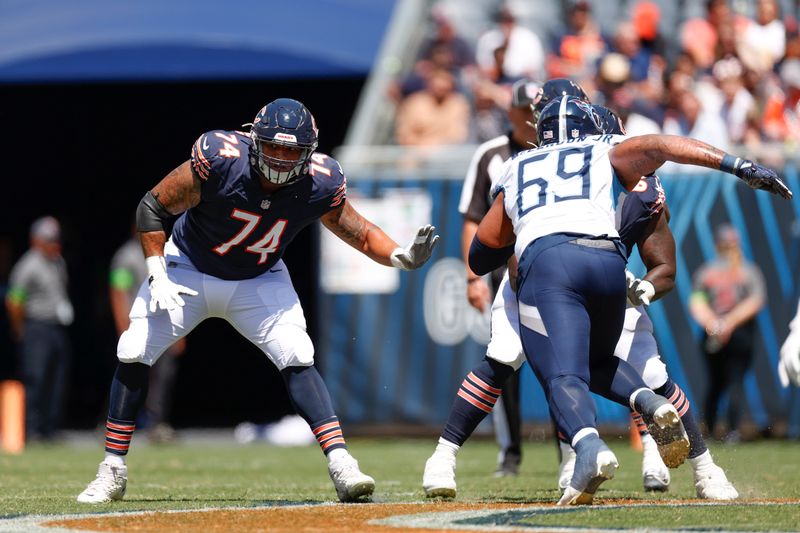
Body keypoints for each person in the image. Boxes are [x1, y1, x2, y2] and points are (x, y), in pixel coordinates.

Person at [77, 98, 440, 504]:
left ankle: (342, 463)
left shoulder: (320, 180)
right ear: (254, 140)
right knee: (133, 348)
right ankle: (112, 468)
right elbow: (152, 207)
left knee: (297, 354)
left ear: (310, 152)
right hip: (187, 268)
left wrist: (397, 255)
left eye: (292, 151)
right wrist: (157, 271)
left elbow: (357, 230)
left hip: (258, 278)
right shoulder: (220, 158)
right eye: (274, 148)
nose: (283, 159)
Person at [466, 96, 789, 505]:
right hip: (607, 274)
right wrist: (738, 165)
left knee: (563, 373)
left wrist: (645, 288)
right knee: (629, 373)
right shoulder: (617, 160)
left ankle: (596, 450)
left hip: (566, 275)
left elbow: (483, 255)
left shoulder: (522, 167)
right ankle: (674, 438)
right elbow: (665, 146)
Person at [458, 78, 540, 478]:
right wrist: (473, 277)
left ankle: (573, 451)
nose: (532, 119)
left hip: (547, 266)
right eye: (526, 111)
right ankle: (509, 453)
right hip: (499, 273)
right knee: (503, 361)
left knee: (562, 360)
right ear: (511, 112)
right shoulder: (491, 154)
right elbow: (473, 218)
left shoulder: (560, 151)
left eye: (538, 111)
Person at [689, 224, 766, 443]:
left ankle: (714, 431)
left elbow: (697, 303)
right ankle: (729, 431)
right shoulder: (746, 271)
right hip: (734, 332)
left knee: (719, 383)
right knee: (731, 382)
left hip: (721, 331)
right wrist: (723, 324)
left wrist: (717, 324)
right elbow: (755, 301)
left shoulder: (709, 271)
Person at [109, 228, 186, 442]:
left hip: (165, 323)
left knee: (163, 378)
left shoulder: (168, 253)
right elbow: (118, 290)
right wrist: (124, 328)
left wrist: (181, 330)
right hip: (139, 324)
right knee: (130, 374)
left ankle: (157, 423)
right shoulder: (128, 255)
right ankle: (114, 423)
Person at [5, 216, 73, 442]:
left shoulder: (57, 261)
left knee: (57, 378)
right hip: (37, 327)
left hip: (57, 327)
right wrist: (20, 329)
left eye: (56, 239)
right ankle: (32, 429)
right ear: (36, 240)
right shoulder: (28, 265)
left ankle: (50, 428)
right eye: (49, 240)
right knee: (37, 378)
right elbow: (14, 300)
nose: (55, 244)